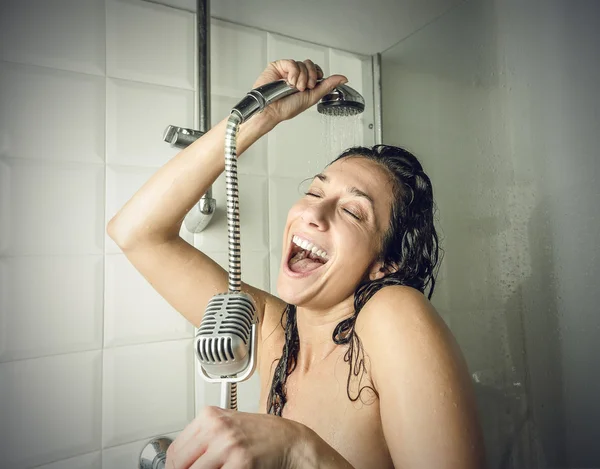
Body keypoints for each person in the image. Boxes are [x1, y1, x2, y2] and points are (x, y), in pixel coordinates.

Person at [108, 59, 486, 469]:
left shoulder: (392, 313)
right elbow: (135, 232)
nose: (313, 213)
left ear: (386, 264)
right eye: (314, 192)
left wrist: (300, 450)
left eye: (354, 212)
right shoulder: (274, 333)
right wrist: (259, 117)